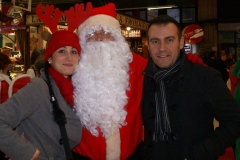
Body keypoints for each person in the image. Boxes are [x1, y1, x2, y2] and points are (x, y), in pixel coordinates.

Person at [71, 3, 205, 160]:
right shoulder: (72, 68)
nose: (99, 38)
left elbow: (165, 64)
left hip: (132, 154)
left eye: (106, 32)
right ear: (82, 39)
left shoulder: (136, 64)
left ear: (116, 37)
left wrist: (186, 61)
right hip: (82, 156)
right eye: (92, 33)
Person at [141, 14, 240, 160]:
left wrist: (199, 152)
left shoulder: (205, 77)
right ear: (148, 45)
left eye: (169, 40)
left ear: (181, 42)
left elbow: (235, 122)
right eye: (155, 41)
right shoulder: (144, 79)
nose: (162, 48)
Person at [0, 2, 91, 159]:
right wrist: (27, 152)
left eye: (74, 51)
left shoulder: (75, 91)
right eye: (61, 51)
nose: (69, 57)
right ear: (49, 58)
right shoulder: (39, 88)